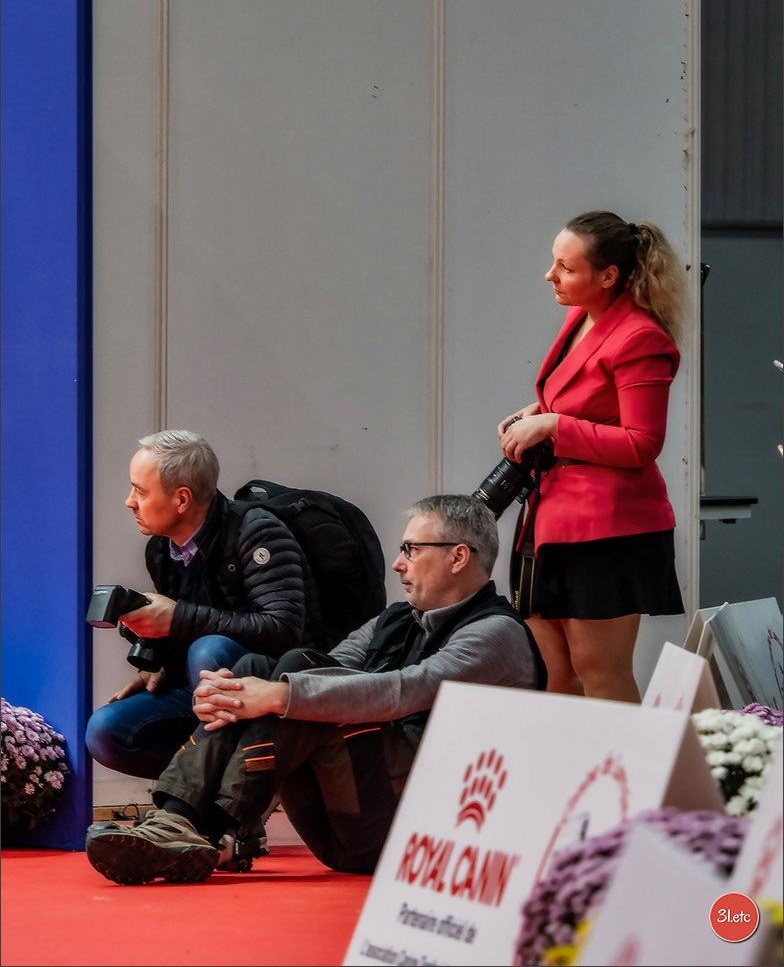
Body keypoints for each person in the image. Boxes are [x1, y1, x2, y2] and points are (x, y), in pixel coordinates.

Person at [84, 494, 545, 885]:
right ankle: (186, 823)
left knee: (296, 681)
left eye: (411, 548)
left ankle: (201, 828)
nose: (398, 563)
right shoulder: (396, 620)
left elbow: (405, 690)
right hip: (351, 827)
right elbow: (329, 668)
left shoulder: (495, 634)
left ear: (458, 556)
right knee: (267, 666)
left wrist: (276, 696)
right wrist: (241, 691)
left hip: (421, 840)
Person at [497, 210, 687, 704]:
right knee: (555, 676)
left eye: (565, 267)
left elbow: (642, 443)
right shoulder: (581, 316)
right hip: (552, 518)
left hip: (609, 529)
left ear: (608, 276)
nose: (550, 275)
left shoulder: (642, 338)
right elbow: (587, 396)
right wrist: (539, 410)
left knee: (600, 674)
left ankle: (630, 779)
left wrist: (556, 425)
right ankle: (567, 777)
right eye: (553, 263)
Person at [85, 430, 320, 783]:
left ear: (182, 499)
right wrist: (160, 660)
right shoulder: (161, 549)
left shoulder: (257, 532)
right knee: (105, 732)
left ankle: (222, 807)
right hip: (202, 692)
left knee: (209, 652)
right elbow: (191, 628)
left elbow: (283, 630)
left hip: (273, 692)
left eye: (140, 491)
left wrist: (177, 618)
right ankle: (215, 798)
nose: (129, 501)